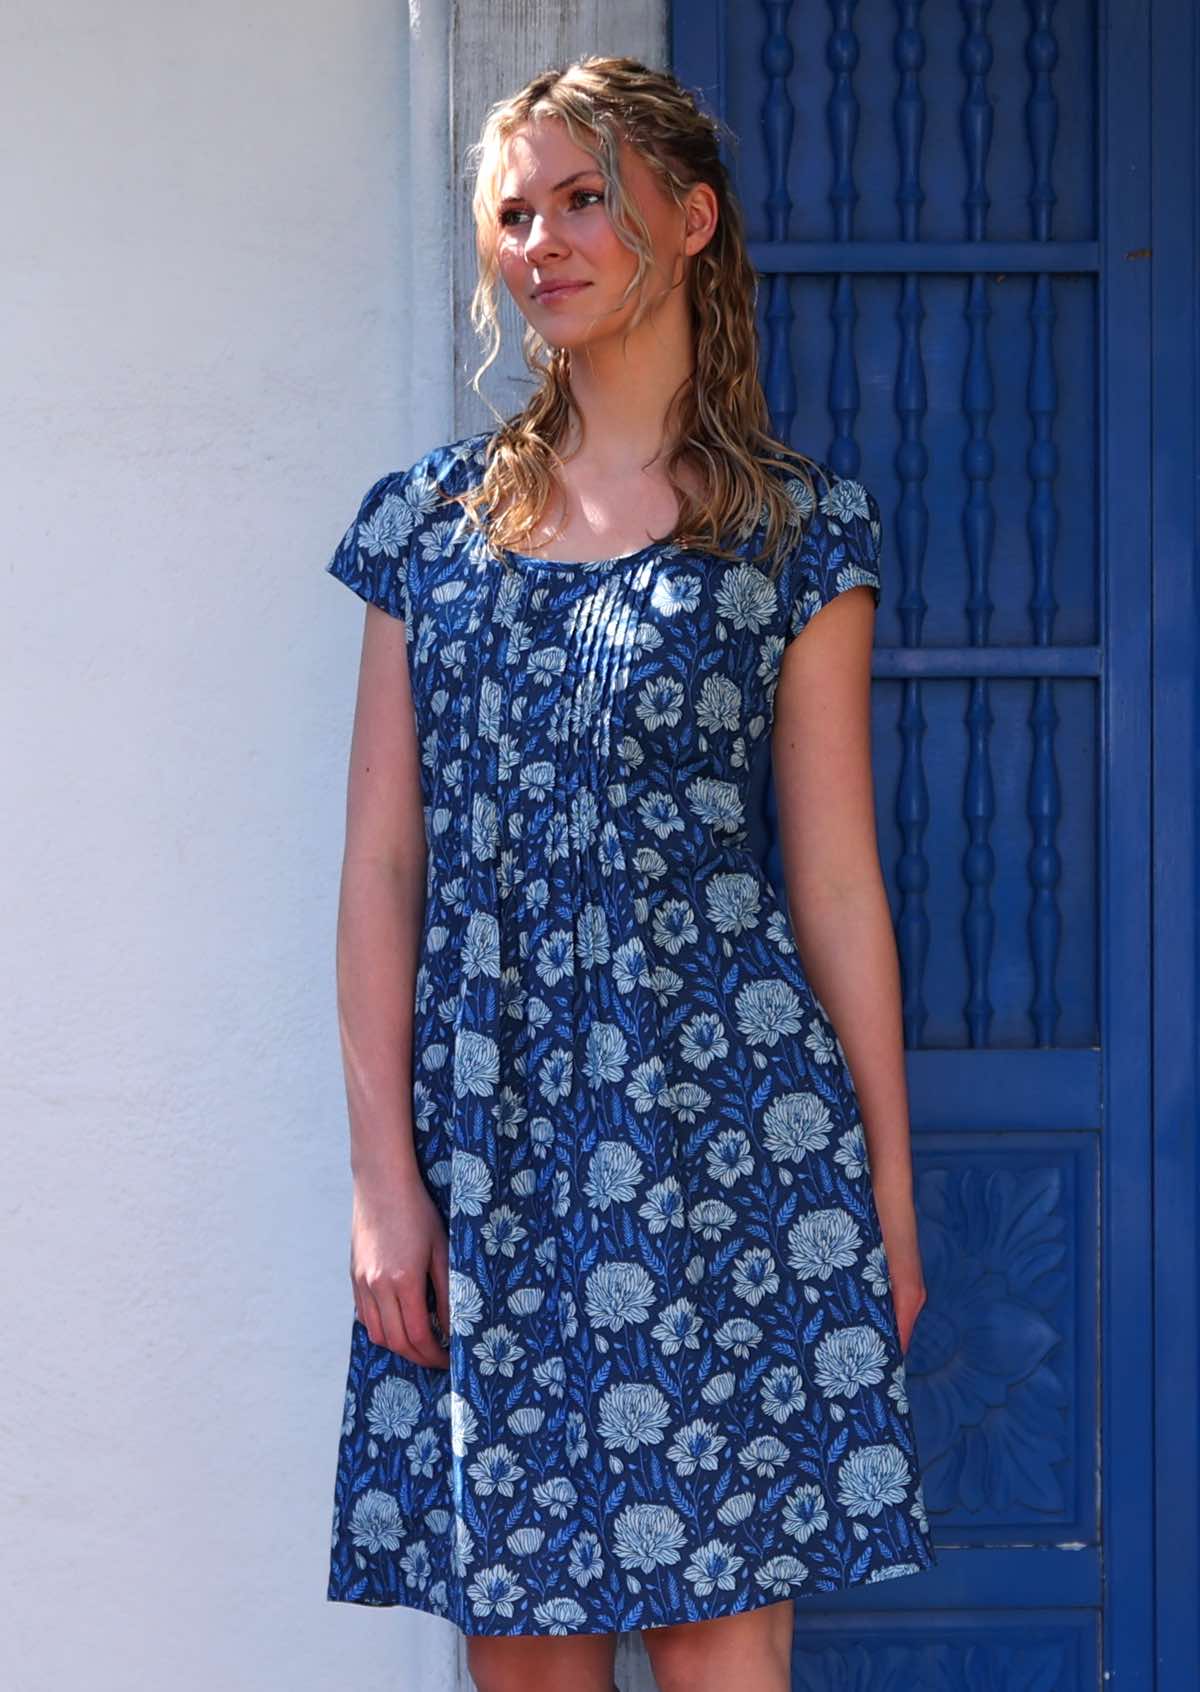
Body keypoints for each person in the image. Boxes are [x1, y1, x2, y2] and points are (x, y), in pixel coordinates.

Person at [322, 53, 937, 1692]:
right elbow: (384, 868)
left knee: (726, 1657)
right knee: (525, 1660)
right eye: (513, 213)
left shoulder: (800, 533)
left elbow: (839, 881)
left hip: (735, 1144)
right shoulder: (424, 529)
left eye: (583, 195)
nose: (544, 239)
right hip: (498, 1159)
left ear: (691, 215)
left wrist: (882, 1173)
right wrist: (385, 1178)